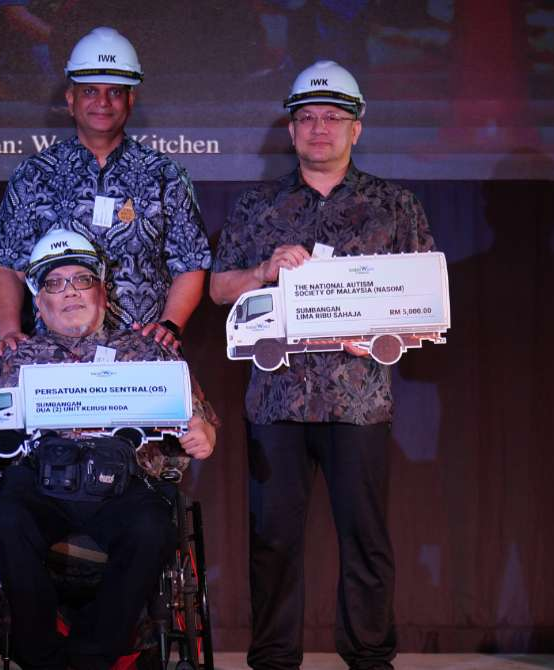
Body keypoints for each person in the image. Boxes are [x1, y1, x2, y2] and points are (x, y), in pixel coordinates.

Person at [209, 60, 436, 670]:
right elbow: (217, 288)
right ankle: (275, 658)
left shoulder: (395, 205)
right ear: (290, 131)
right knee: (273, 541)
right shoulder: (257, 205)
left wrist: (387, 331)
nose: (318, 129)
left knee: (365, 539)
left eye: (333, 118)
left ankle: (369, 657)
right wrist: (261, 272)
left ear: (356, 129)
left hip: (359, 398)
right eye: (306, 118)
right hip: (275, 402)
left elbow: (425, 301)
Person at [0, 229, 218, 670]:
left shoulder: (149, 353)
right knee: (3, 518)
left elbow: (202, 423)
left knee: (153, 527)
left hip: (123, 480)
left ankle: (88, 659)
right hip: (38, 483)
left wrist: (203, 433)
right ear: (38, 301)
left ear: (102, 290)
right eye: (55, 284)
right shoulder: (9, 360)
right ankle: (43, 656)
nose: (70, 292)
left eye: (81, 280)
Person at [0, 26, 211, 356]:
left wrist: (170, 325)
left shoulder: (165, 174)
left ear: (131, 99)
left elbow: (190, 262)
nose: (102, 102)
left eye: (114, 92)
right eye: (90, 91)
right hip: (55, 355)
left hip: (140, 356)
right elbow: (6, 261)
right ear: (70, 98)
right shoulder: (34, 174)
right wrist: (10, 332)